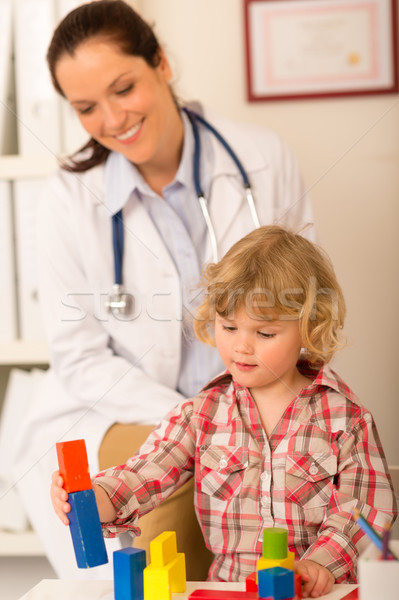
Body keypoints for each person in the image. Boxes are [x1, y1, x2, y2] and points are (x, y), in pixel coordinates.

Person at [12, 0, 314, 581]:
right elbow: (79, 357)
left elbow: (305, 306)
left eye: (124, 88)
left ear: (162, 64)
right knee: (174, 505)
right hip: (123, 408)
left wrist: (255, 410)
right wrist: (198, 418)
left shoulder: (262, 159)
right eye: (85, 108)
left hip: (260, 397)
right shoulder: (68, 199)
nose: (112, 119)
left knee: (286, 515)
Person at [51, 225, 397, 597]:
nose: (241, 347)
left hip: (317, 593)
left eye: (264, 334)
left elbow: (364, 512)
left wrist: (320, 563)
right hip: (230, 590)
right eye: (229, 326)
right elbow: (143, 475)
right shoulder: (202, 414)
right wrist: (95, 497)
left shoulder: (346, 419)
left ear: (309, 328)